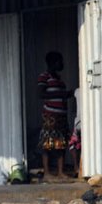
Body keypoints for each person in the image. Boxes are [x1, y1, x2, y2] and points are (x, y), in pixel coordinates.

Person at [37, 51, 76, 180]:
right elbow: (41, 94)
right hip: (50, 116)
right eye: (60, 61)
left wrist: (68, 94)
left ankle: (60, 172)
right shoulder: (44, 77)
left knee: (61, 144)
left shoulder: (59, 79)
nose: (62, 64)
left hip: (61, 116)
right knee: (47, 144)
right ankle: (47, 173)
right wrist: (61, 94)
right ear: (53, 63)